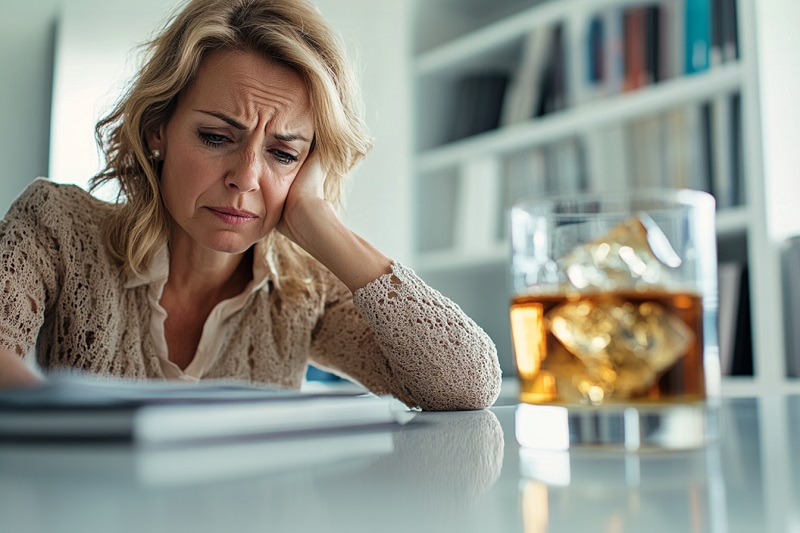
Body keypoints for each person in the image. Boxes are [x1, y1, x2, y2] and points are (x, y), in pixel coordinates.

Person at [0, 0, 501, 410]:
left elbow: (468, 386)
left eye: (284, 153)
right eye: (217, 137)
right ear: (158, 130)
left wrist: (318, 219)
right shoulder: (56, 227)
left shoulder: (303, 292)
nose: (245, 179)